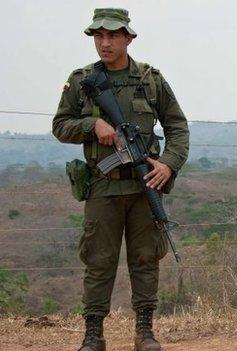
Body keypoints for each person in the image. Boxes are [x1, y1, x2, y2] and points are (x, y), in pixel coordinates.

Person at [52, 8, 189, 351]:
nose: (105, 42)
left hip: (145, 186)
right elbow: (60, 126)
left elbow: (178, 128)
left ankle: (144, 331)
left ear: (129, 37)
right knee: (99, 260)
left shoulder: (150, 80)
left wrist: (168, 165)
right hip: (102, 184)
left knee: (145, 258)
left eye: (113, 35)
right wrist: (91, 125)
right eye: (99, 36)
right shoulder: (83, 80)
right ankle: (93, 334)